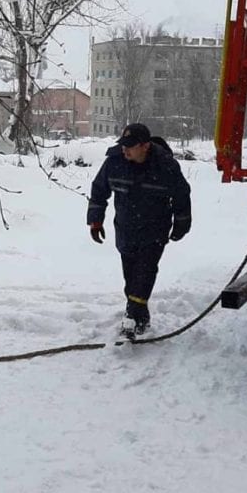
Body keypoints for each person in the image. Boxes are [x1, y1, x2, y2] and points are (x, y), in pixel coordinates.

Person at [87, 123, 191, 338]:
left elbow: (181, 195)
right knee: (131, 276)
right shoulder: (114, 162)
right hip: (125, 229)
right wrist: (95, 221)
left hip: (154, 230)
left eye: (130, 146)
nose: (125, 150)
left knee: (145, 271)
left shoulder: (165, 166)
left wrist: (182, 223)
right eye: (123, 145)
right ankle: (140, 316)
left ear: (145, 146)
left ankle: (132, 316)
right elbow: (99, 191)